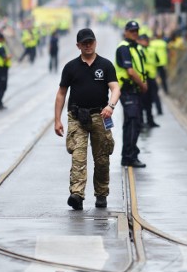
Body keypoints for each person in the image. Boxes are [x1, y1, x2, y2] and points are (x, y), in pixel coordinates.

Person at [55, 28, 120, 210]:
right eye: (84, 43)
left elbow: (115, 88)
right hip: (77, 117)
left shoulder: (105, 65)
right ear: (78, 46)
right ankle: (76, 194)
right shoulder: (71, 67)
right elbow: (61, 93)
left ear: (95, 43)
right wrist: (57, 120)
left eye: (91, 42)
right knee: (78, 157)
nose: (88, 45)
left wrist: (111, 106)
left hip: (100, 116)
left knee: (101, 158)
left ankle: (101, 193)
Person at [115, 20, 148, 168]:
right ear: (126, 32)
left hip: (135, 91)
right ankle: (129, 156)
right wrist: (142, 84)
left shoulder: (136, 47)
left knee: (134, 123)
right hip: (128, 90)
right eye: (132, 31)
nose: (135, 33)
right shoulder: (124, 48)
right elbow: (130, 71)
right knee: (133, 123)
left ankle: (129, 154)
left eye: (136, 31)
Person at [138, 34, 160, 128]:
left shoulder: (152, 50)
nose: (143, 42)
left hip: (151, 78)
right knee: (142, 102)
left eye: (144, 40)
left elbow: (157, 62)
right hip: (142, 79)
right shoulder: (138, 50)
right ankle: (142, 122)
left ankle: (150, 121)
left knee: (150, 101)